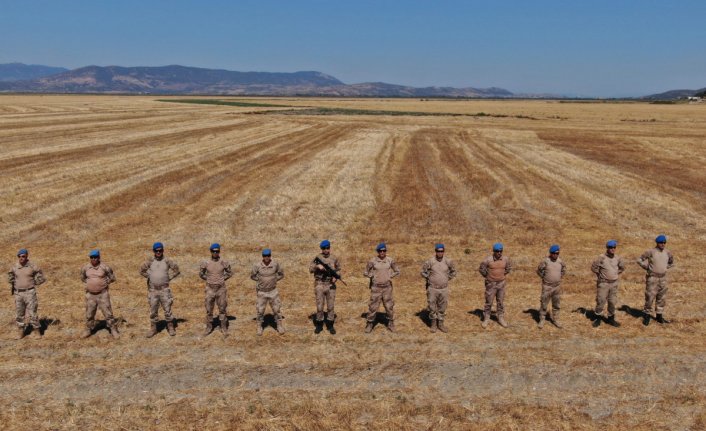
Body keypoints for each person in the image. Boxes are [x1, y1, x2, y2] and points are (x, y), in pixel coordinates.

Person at [139, 242, 180, 337]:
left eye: (160, 250)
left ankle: (170, 327)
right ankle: (154, 328)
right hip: (153, 290)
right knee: (153, 310)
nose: (158, 252)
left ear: (163, 250)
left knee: (167, 309)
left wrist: (169, 278)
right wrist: (149, 277)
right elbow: (141, 270)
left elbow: (177, 270)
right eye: (156, 251)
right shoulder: (150, 261)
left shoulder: (167, 261)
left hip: (164, 290)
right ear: (154, 251)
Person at [80, 250, 119, 338]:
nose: (94, 259)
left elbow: (112, 278)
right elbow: (83, 277)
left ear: (99, 258)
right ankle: (88, 329)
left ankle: (113, 329)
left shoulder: (105, 267)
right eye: (92, 257)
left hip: (103, 294)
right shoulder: (86, 268)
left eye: (95, 257)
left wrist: (105, 283)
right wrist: (91, 284)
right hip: (90, 295)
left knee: (108, 313)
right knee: (89, 314)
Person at [8, 248, 46, 339]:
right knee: (19, 313)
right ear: (18, 257)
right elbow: (10, 277)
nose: (22, 258)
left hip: (30, 292)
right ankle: (20, 332)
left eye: (23, 256)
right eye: (20, 256)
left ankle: (37, 331)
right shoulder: (14, 267)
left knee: (33, 312)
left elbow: (41, 276)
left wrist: (35, 283)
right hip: (18, 294)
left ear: (26, 256)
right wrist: (15, 285)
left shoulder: (32, 266)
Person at [638, 235, 674, 325]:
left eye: (664, 242)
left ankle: (659, 316)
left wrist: (666, 268)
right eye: (661, 242)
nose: (662, 244)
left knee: (661, 297)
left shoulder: (668, 252)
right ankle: (647, 315)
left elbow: (671, 262)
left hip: (663, 278)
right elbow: (639, 260)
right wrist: (646, 267)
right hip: (652, 278)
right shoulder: (650, 252)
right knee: (650, 297)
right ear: (657, 243)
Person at [420, 243, 457, 333]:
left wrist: (447, 278)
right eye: (438, 251)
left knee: (442, 307)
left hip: (444, 288)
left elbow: (454, 271)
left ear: (444, 251)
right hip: (433, 288)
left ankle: (440, 324)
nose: (440, 253)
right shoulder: (430, 261)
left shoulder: (448, 261)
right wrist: (429, 278)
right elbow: (423, 272)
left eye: (441, 251)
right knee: (432, 307)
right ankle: (433, 324)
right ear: (435, 251)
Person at [364, 243, 400, 333]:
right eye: (380, 251)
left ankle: (390, 323)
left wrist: (390, 275)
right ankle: (370, 323)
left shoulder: (390, 260)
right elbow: (365, 272)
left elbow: (397, 270)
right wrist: (370, 275)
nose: (382, 252)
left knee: (389, 306)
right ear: (378, 251)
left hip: (387, 287)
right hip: (376, 288)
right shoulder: (372, 261)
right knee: (373, 307)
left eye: (384, 251)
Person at [199, 243, 233, 336]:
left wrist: (222, 279)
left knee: (222, 308)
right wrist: (209, 279)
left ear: (219, 252)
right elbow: (201, 274)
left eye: (217, 251)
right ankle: (209, 327)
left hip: (221, 289)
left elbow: (230, 273)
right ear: (211, 252)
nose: (215, 253)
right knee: (209, 309)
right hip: (210, 289)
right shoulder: (205, 263)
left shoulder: (224, 262)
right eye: (213, 251)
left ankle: (223, 327)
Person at [250, 248, 285, 335]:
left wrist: (274, 280)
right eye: (265, 256)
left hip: (273, 291)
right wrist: (260, 281)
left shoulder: (275, 264)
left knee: (277, 310)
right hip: (262, 292)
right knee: (260, 311)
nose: (267, 257)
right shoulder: (257, 266)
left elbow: (281, 274)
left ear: (270, 256)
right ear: (262, 256)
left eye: (268, 255)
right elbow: (252, 276)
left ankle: (279, 325)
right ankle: (259, 326)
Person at [309, 240, 341, 334]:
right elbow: (310, 269)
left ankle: (330, 325)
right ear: (321, 249)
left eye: (327, 248)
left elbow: (339, 270)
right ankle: (319, 325)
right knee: (319, 306)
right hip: (319, 284)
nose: (326, 250)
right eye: (324, 248)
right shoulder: (317, 258)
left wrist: (336, 277)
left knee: (330, 306)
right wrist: (317, 267)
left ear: (329, 248)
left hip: (330, 285)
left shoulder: (334, 258)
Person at [591, 240, 625, 328]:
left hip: (614, 284)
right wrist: (600, 275)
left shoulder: (617, 258)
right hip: (603, 284)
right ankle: (597, 318)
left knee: (612, 302)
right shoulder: (601, 258)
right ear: (607, 248)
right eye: (610, 247)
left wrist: (615, 274)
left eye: (614, 247)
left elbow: (622, 267)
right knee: (601, 301)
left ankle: (611, 319)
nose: (612, 249)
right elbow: (594, 267)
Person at [478, 243, 513, 328]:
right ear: (494, 251)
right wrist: (488, 276)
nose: (499, 253)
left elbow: (508, 268)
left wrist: (502, 275)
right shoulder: (488, 260)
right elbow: (481, 269)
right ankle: (486, 318)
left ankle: (500, 318)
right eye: (497, 251)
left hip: (501, 283)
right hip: (491, 284)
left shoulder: (505, 259)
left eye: (501, 251)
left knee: (500, 302)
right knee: (489, 302)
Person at [536, 244, 566, 329]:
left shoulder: (560, 261)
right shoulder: (545, 261)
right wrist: (544, 277)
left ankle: (556, 320)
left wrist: (559, 278)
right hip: (547, 286)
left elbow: (564, 270)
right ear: (550, 253)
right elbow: (539, 270)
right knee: (544, 304)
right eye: (554, 253)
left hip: (556, 287)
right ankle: (542, 320)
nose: (556, 255)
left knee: (556, 304)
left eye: (557, 253)